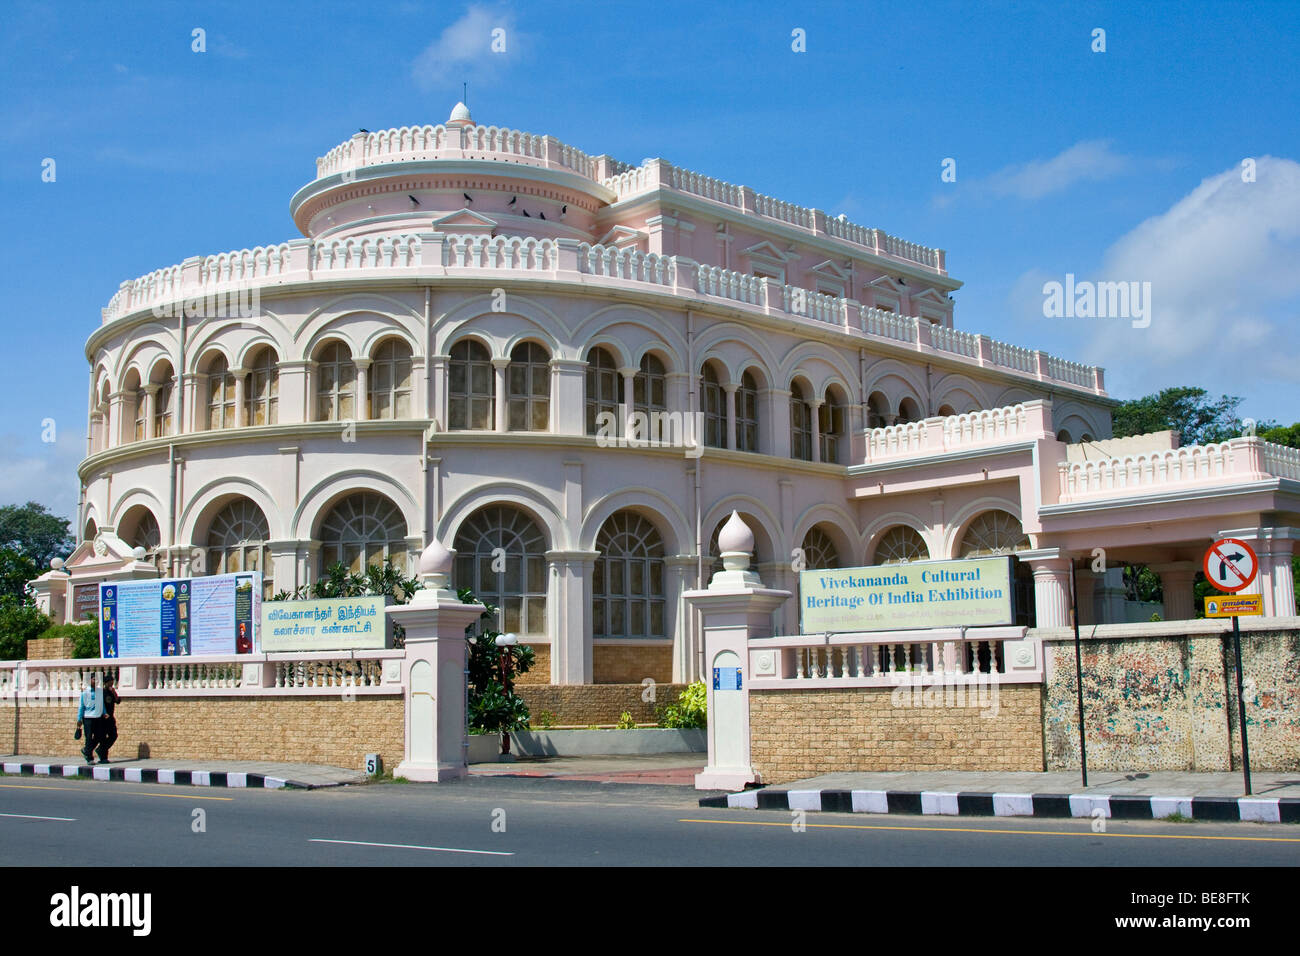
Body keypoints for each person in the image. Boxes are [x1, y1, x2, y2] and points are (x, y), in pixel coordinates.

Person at [75, 673, 103, 765]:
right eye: (94, 679)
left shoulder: (100, 691)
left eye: (97, 680)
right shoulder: (85, 693)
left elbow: (101, 704)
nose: (96, 681)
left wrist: (105, 713)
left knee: (99, 736)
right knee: (89, 738)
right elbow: (81, 707)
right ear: (89, 681)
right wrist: (79, 719)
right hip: (88, 718)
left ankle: (86, 750)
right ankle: (89, 758)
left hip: (97, 717)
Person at [95, 674, 121, 764]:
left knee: (113, 735)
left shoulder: (111, 692)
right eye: (110, 683)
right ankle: (103, 757)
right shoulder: (101, 693)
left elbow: (118, 701)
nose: (111, 685)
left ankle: (100, 750)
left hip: (110, 719)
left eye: (112, 684)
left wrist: (114, 693)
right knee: (102, 738)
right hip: (102, 719)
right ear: (105, 683)